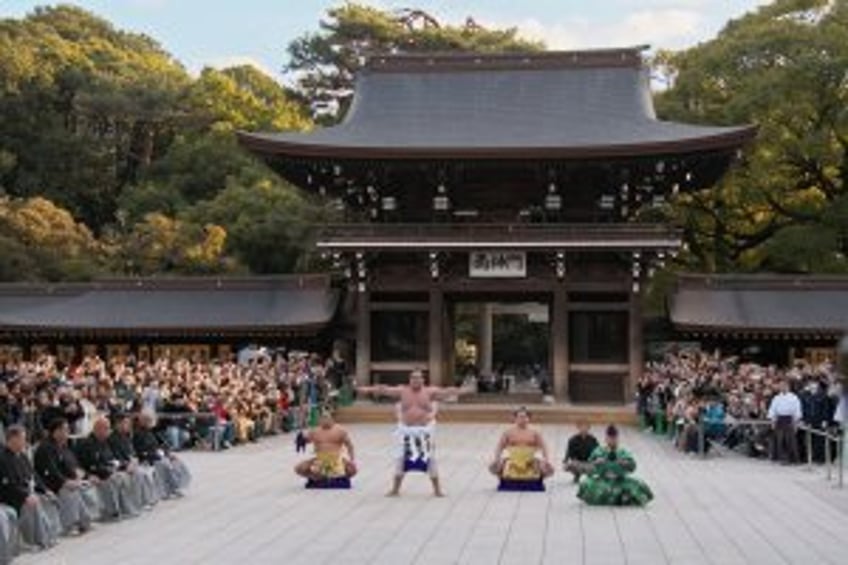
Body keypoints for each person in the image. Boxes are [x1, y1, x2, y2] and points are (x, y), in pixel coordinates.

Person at [357, 369, 473, 497]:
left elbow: (448, 391)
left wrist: (464, 390)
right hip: (406, 431)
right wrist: (365, 389)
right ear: (409, 379)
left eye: (418, 378)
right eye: (413, 378)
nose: (416, 380)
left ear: (423, 380)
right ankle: (395, 489)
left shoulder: (429, 392)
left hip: (424, 432)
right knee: (400, 459)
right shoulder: (402, 391)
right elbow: (383, 389)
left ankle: (437, 490)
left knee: (430, 459)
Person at [33, 418, 99, 534]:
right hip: (50, 483)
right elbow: (51, 471)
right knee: (70, 489)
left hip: (67, 479)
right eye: (65, 429)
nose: (68, 432)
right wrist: (66, 482)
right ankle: (69, 525)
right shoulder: (45, 447)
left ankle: (84, 521)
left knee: (86, 485)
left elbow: (74, 465)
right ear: (56, 431)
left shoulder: (64, 446)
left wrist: (85, 476)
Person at [0, 425, 61, 550]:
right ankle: (35, 540)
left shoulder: (22, 456)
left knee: (48, 498)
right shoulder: (3, 458)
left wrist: (45, 490)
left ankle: (50, 535)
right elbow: (8, 484)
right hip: (12, 496)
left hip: (28, 492)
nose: (25, 442)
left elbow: (34, 476)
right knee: (32, 503)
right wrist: (26, 495)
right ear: (12, 439)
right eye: (22, 438)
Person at [577, 425, 653, 507]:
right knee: (586, 483)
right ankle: (619, 498)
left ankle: (622, 497)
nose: (612, 441)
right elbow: (589, 467)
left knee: (639, 483)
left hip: (620, 481)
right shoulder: (599, 451)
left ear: (618, 439)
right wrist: (596, 462)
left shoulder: (623, 451)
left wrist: (625, 463)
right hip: (603, 480)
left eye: (615, 438)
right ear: (606, 439)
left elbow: (632, 466)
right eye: (610, 438)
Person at [132, 413, 191, 499]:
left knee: (176, 461)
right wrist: (157, 454)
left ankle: (177, 486)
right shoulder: (138, 434)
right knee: (165, 464)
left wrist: (167, 453)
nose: (152, 423)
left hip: (157, 454)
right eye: (150, 421)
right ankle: (166, 490)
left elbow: (161, 444)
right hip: (148, 457)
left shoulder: (151, 432)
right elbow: (140, 450)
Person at [109, 413, 159, 509]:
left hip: (133, 463)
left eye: (128, 423)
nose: (128, 426)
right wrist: (127, 464)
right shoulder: (112, 439)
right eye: (126, 423)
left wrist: (135, 460)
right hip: (122, 466)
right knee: (140, 473)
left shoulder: (126, 436)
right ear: (118, 424)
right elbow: (115, 456)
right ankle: (139, 501)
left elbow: (133, 452)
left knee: (143, 471)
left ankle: (147, 498)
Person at [489, 407, 553, 481]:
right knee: (493, 466)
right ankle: (504, 479)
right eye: (520, 417)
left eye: (525, 417)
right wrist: (497, 459)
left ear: (529, 418)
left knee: (548, 468)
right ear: (515, 418)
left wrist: (546, 460)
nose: (522, 419)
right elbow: (499, 447)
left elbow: (544, 448)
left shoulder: (535, 433)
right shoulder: (508, 433)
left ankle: (537, 480)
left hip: (530, 462)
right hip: (513, 461)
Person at [294, 411, 357, 482]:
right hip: (320, 459)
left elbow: (349, 445)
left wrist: (352, 459)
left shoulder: (340, 430)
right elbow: (305, 441)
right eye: (323, 418)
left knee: (352, 469)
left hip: (336, 459)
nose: (325, 420)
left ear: (332, 419)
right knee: (299, 468)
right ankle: (316, 478)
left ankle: (340, 478)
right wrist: (301, 439)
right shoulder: (314, 431)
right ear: (320, 420)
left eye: (327, 418)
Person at [767, 380, 802, 464]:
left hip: (789, 419)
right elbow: (773, 410)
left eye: (784, 386)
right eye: (781, 386)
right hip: (779, 419)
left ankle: (792, 459)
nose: (782, 388)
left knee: (790, 440)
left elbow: (797, 410)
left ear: (788, 387)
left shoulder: (794, 397)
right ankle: (782, 458)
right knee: (780, 439)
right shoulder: (776, 397)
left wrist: (796, 422)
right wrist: (773, 421)